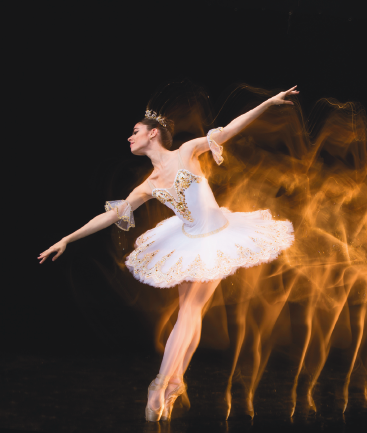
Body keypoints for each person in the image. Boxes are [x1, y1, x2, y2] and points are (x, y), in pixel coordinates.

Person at [38, 85, 299, 421]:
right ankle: (172, 381)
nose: (129, 138)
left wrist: (269, 102)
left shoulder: (186, 152)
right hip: (189, 241)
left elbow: (231, 129)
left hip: (218, 235)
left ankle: (162, 384)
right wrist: (68, 239)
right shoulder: (149, 184)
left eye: (135, 132)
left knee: (191, 310)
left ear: (153, 133)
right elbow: (110, 216)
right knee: (190, 311)